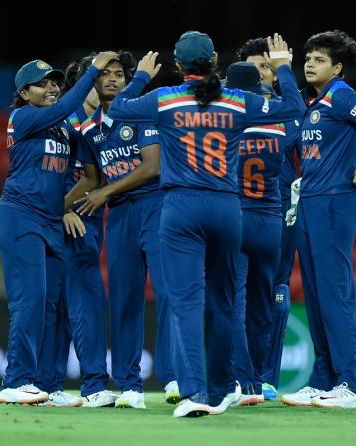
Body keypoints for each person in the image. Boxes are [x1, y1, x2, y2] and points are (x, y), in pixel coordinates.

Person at [108, 31, 304, 417]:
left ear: (178, 65)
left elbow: (118, 110)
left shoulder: (164, 99)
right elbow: (294, 108)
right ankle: (220, 390)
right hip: (227, 208)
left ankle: (197, 392)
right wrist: (282, 69)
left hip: (181, 207)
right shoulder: (238, 100)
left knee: (185, 302)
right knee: (224, 300)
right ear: (215, 59)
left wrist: (142, 76)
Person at [0, 53, 117, 405]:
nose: (50, 88)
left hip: (49, 221)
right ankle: (15, 380)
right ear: (24, 92)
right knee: (29, 300)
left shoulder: (64, 129)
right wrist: (93, 71)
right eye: (42, 84)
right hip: (20, 215)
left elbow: (92, 174)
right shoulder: (23, 117)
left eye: (53, 82)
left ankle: (45, 387)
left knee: (49, 306)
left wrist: (66, 204)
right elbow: (63, 107)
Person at [280, 30, 356, 409]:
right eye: (308, 58)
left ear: (338, 67)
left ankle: (352, 385)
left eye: (319, 59)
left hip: (333, 203)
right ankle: (323, 379)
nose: (310, 63)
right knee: (314, 296)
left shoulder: (341, 95)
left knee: (333, 293)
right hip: (311, 202)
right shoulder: (316, 103)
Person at [64, 51, 179, 409]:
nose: (113, 79)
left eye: (119, 74)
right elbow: (92, 180)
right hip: (120, 216)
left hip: (156, 206)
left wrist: (105, 192)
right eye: (105, 74)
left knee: (167, 293)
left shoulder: (143, 112)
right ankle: (130, 385)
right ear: (94, 82)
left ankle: (176, 377)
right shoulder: (87, 130)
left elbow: (152, 167)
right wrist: (54, 208)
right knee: (124, 299)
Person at [43, 58, 118, 408]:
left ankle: (51, 384)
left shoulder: (100, 122)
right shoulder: (66, 120)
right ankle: (92, 385)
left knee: (66, 302)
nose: (106, 83)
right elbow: (44, 173)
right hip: (73, 219)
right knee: (82, 299)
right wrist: (65, 208)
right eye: (99, 76)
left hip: (84, 214)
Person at [237, 36, 303, 401]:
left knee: (275, 294)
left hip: (280, 216)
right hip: (241, 213)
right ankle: (236, 375)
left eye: (268, 66)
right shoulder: (229, 111)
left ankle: (266, 377)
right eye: (256, 67)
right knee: (234, 295)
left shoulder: (288, 114)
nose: (264, 73)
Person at [225, 61, 293, 407]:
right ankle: (264, 379)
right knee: (262, 303)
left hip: (235, 217)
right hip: (270, 220)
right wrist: (285, 72)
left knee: (232, 303)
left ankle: (243, 379)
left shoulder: (225, 121)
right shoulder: (278, 121)